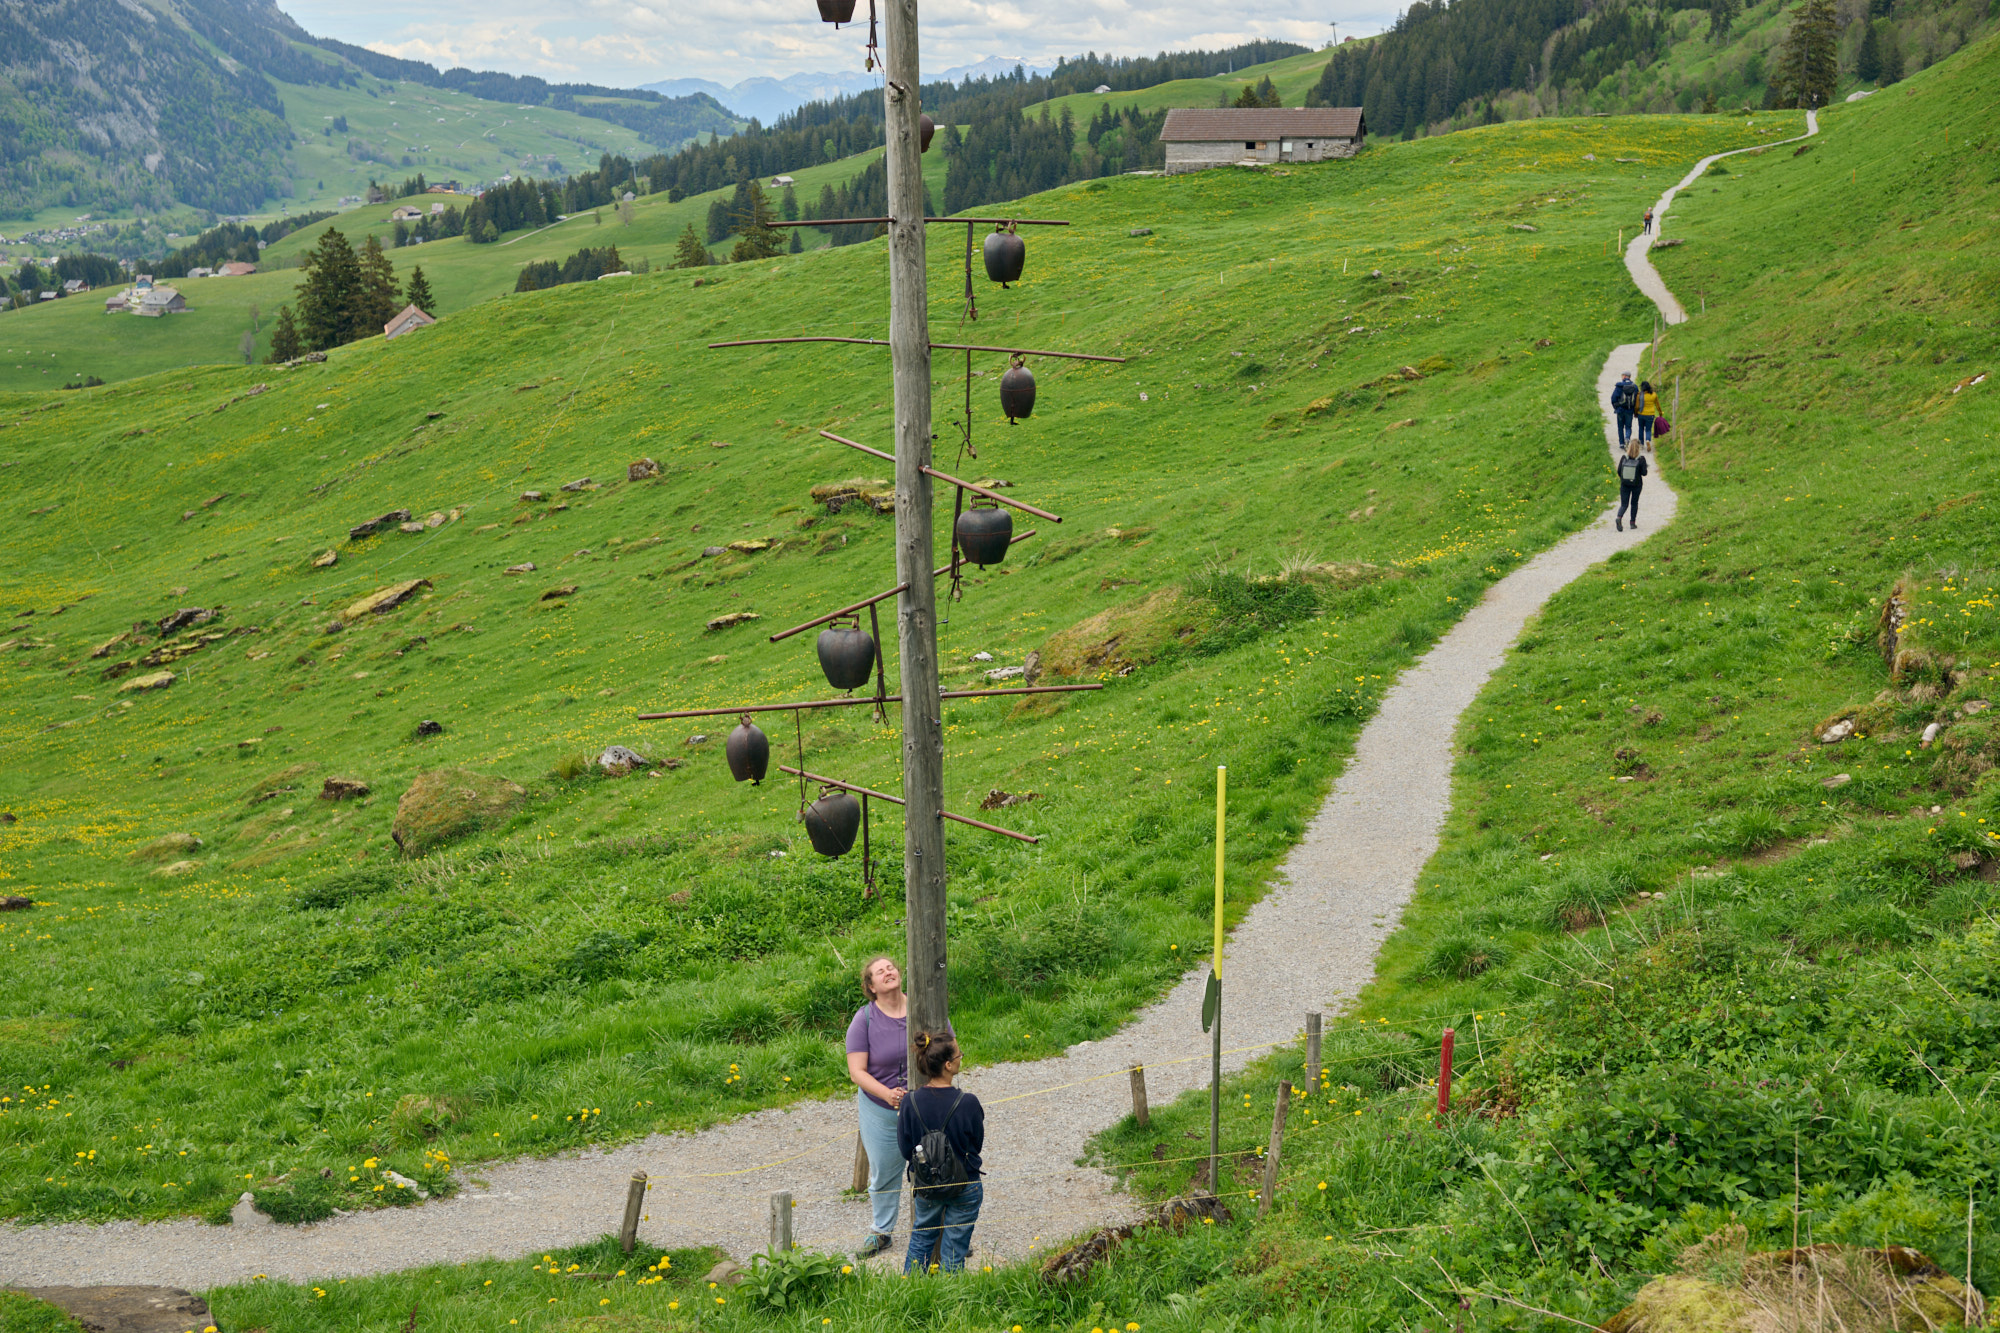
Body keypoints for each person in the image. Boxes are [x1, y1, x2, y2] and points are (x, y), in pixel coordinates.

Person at [897, 1030, 984, 1274]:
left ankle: (910, 1294)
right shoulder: (968, 1102)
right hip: (965, 1181)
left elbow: (906, 1148)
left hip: (926, 1184)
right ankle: (951, 1302)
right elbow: (975, 1144)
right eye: (959, 1055)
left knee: (921, 1240)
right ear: (948, 1065)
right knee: (955, 1249)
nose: (961, 1058)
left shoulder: (909, 1102)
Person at [846, 956, 913, 1258]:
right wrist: (887, 1095)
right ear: (871, 986)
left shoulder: (923, 1007)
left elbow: (950, 1047)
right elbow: (857, 1072)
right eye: (880, 971)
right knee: (884, 1171)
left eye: (891, 967)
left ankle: (941, 1232)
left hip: (924, 1104)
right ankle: (882, 1231)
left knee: (936, 1164)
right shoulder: (865, 1019)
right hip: (879, 1106)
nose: (888, 972)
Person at [1615, 438, 1649, 531]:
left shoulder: (1624, 457)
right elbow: (1644, 473)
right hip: (1637, 485)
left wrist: (1624, 479)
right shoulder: (1641, 459)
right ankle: (1632, 523)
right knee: (1634, 503)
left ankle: (1619, 517)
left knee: (1624, 504)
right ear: (1639, 447)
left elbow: (1619, 471)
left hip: (1624, 484)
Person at [1610, 372, 1638, 446]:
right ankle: (1627, 438)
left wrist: (1616, 407)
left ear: (1624, 376)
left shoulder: (1619, 386)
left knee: (1620, 427)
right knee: (1628, 426)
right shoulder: (1634, 386)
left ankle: (1621, 443)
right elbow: (1637, 399)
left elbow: (1613, 398)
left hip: (1620, 410)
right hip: (1630, 410)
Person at [1636, 380, 1660, 448]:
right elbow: (1657, 405)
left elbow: (1637, 406)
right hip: (1650, 415)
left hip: (1641, 414)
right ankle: (1648, 440)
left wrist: (1636, 413)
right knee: (1648, 429)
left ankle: (1641, 444)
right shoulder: (1654, 394)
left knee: (1641, 428)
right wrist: (1660, 413)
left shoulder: (1639, 394)